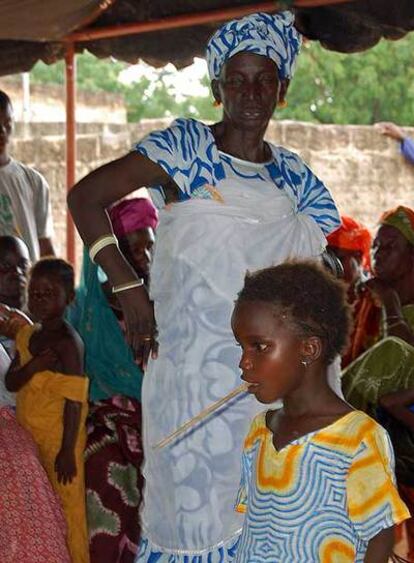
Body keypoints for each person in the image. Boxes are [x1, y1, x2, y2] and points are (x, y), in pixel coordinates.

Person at [68, 12, 341, 561]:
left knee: (271, 513)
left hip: (271, 387)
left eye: (264, 79)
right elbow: (85, 197)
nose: (250, 93)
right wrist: (126, 286)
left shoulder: (294, 178)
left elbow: (320, 270)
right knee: (194, 517)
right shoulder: (186, 150)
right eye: (236, 80)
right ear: (217, 87)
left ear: (282, 89)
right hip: (193, 383)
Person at [232, 260, 409, 562]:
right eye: (241, 347)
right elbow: (257, 527)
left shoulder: (358, 439)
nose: (243, 363)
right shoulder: (260, 430)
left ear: (308, 349)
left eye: (259, 347)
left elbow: (380, 537)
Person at [68, 197, 157, 563]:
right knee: (104, 465)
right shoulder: (87, 308)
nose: (145, 258)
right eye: (133, 250)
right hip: (104, 415)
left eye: (149, 246)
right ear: (113, 255)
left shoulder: (165, 300)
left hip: (159, 415)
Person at [5, 258, 90, 563]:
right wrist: (34, 366)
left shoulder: (69, 344)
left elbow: (74, 400)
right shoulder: (27, 336)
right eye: (35, 292)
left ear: (69, 298)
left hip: (59, 439)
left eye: (49, 293)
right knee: (41, 508)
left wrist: (68, 449)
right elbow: (12, 381)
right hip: (29, 436)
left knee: (68, 510)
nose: (40, 299)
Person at [341, 205, 414, 559]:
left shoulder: (382, 299)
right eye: (377, 246)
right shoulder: (365, 297)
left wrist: (391, 304)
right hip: (368, 441)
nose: (378, 254)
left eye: (390, 247)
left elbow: (400, 351)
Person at [0, 90, 55, 261]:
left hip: (24, 286)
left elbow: (44, 244)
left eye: (7, 123)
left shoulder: (34, 182)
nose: (2, 131)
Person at [327, 216, 372, 366]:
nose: (331, 267)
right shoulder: (318, 298)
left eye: (338, 259)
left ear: (358, 257)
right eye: (326, 260)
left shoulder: (374, 299)